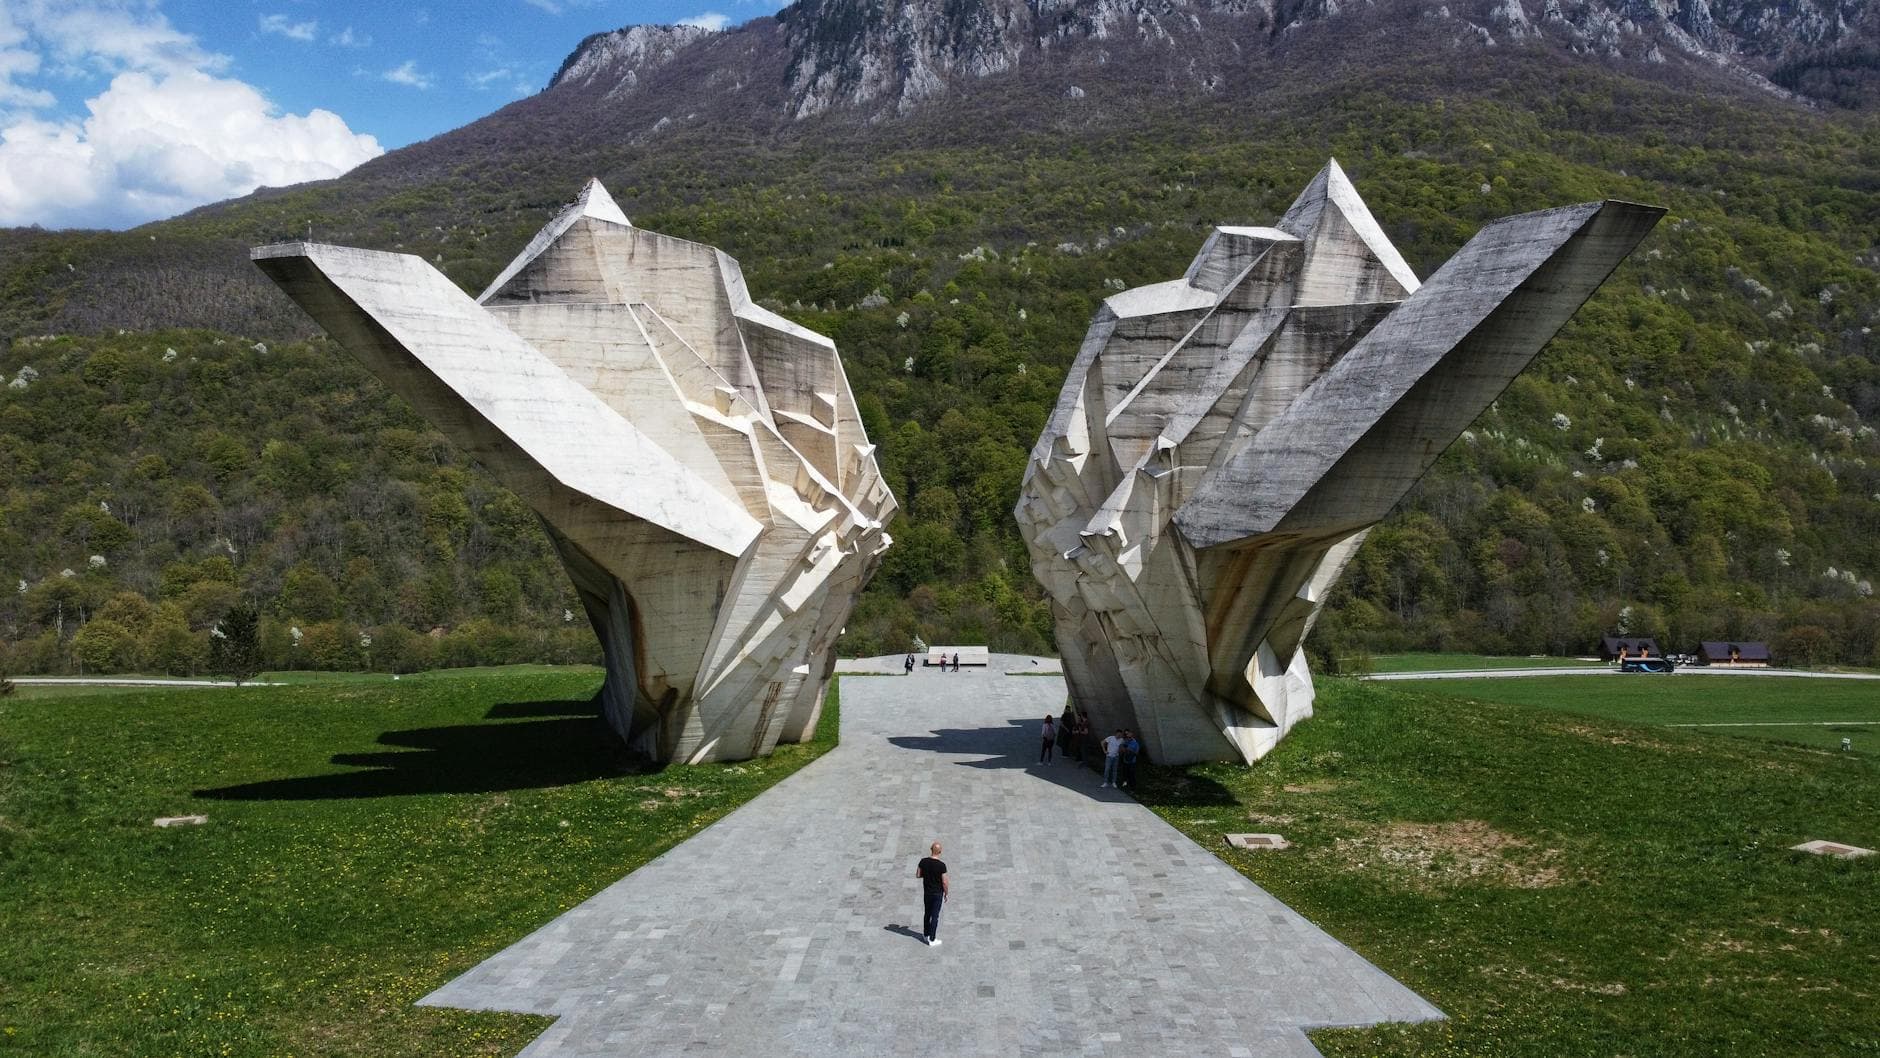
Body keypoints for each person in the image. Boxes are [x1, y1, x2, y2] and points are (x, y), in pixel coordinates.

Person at [916, 841, 949, 946]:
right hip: (937, 893)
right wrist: (946, 893)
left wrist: (927, 876)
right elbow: (944, 882)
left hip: (927, 892)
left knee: (927, 913)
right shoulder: (941, 866)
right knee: (935, 916)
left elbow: (918, 875)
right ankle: (932, 939)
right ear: (940, 852)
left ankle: (926, 934)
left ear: (931, 849)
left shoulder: (923, 861)